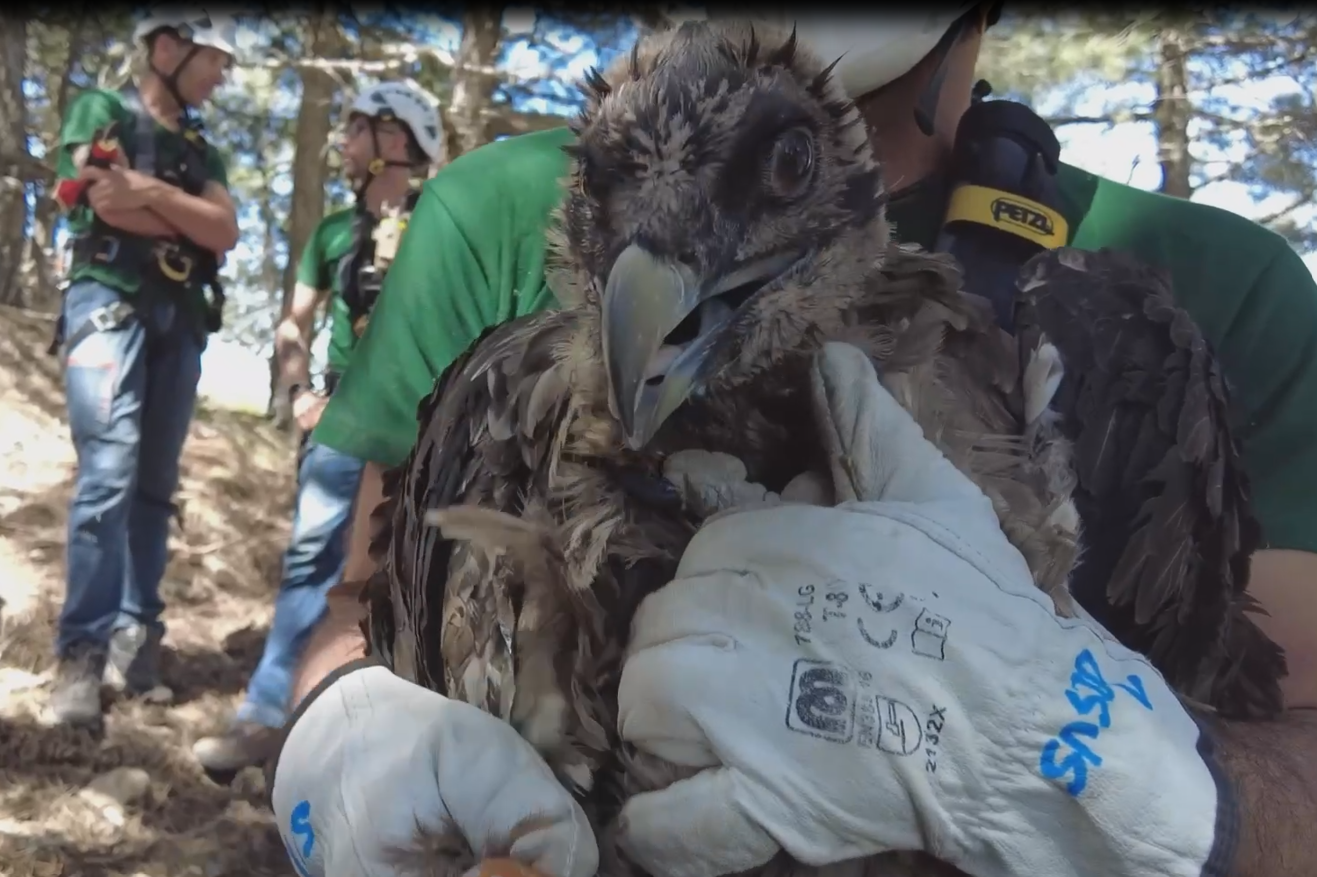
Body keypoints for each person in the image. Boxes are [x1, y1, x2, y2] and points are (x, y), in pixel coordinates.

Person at [276, 8, 1317, 876]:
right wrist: (336, 738)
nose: (653, 266)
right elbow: (354, 612)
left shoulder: (1203, 292)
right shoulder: (489, 218)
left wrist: (1138, 783)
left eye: (780, 165)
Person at [192, 81, 443, 777]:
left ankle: (367, 742)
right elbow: (293, 321)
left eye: (357, 128)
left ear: (396, 139)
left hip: (422, 424)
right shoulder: (333, 230)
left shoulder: (441, 219)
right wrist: (299, 388)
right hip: (339, 417)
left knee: (409, 573)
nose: (343, 140)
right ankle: (266, 716)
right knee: (311, 563)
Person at [48, 8, 240, 728]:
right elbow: (100, 199)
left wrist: (153, 194)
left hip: (180, 320)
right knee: (107, 471)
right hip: (109, 303)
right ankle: (81, 652)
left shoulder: (200, 146)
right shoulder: (103, 110)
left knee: (155, 489)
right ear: (168, 47)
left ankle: (137, 638)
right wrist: (184, 215)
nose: (223, 74)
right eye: (214, 58)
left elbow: (224, 231)